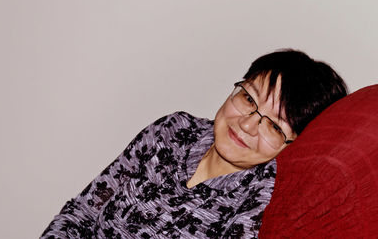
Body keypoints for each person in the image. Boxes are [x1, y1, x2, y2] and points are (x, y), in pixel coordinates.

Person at [41, 49, 347, 238]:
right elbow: (84, 210)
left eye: (273, 126)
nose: (246, 124)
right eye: (248, 98)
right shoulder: (172, 131)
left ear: (294, 145)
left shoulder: (262, 201)